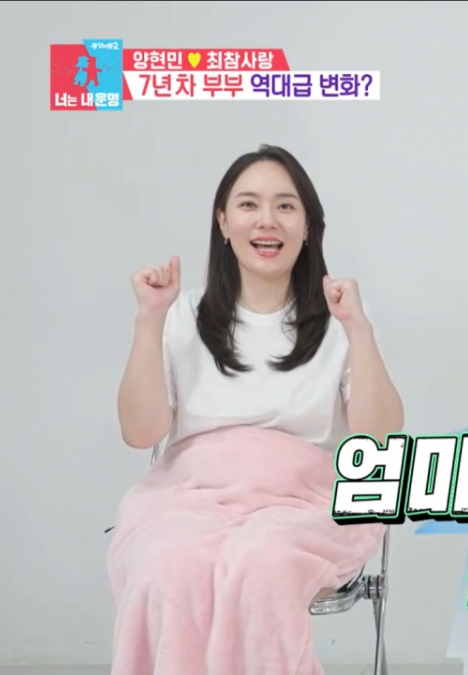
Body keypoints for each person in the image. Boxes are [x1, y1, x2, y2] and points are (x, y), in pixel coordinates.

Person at [109, 144, 404, 674]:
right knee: (167, 564)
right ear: (223, 222)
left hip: (303, 504)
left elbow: (379, 433)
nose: (267, 220)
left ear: (309, 226)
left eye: (285, 206)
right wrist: (148, 322)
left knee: (262, 564)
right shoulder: (180, 315)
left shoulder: (341, 319)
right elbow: (141, 431)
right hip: (187, 498)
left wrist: (358, 329)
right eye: (248, 204)